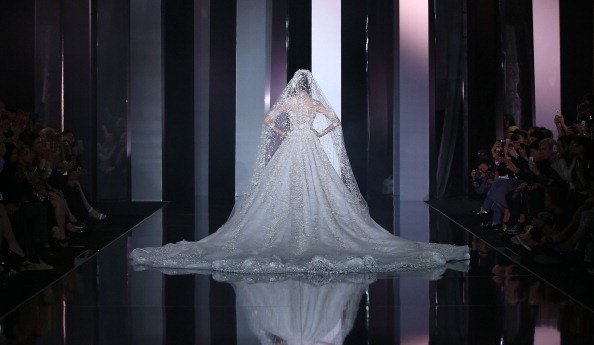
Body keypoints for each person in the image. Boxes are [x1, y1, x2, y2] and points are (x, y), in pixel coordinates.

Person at [131, 70, 469, 274]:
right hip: (309, 143)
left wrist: (284, 133)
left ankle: (292, 224)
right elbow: (334, 122)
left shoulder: (289, 103)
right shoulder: (312, 103)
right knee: (318, 186)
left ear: (294, 88)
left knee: (282, 186)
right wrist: (318, 133)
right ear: (309, 88)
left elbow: (267, 122)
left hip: (292, 142)